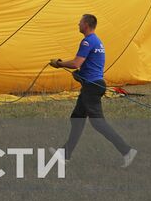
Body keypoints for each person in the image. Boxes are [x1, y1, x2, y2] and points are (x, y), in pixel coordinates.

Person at [50, 14, 137, 167]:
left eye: (80, 22)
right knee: (77, 119)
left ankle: (127, 151)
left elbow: (77, 63)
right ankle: (65, 154)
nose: (78, 24)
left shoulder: (87, 41)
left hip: (92, 87)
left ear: (86, 24)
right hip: (93, 84)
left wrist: (59, 63)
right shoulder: (97, 41)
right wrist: (80, 75)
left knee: (98, 123)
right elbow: (90, 66)